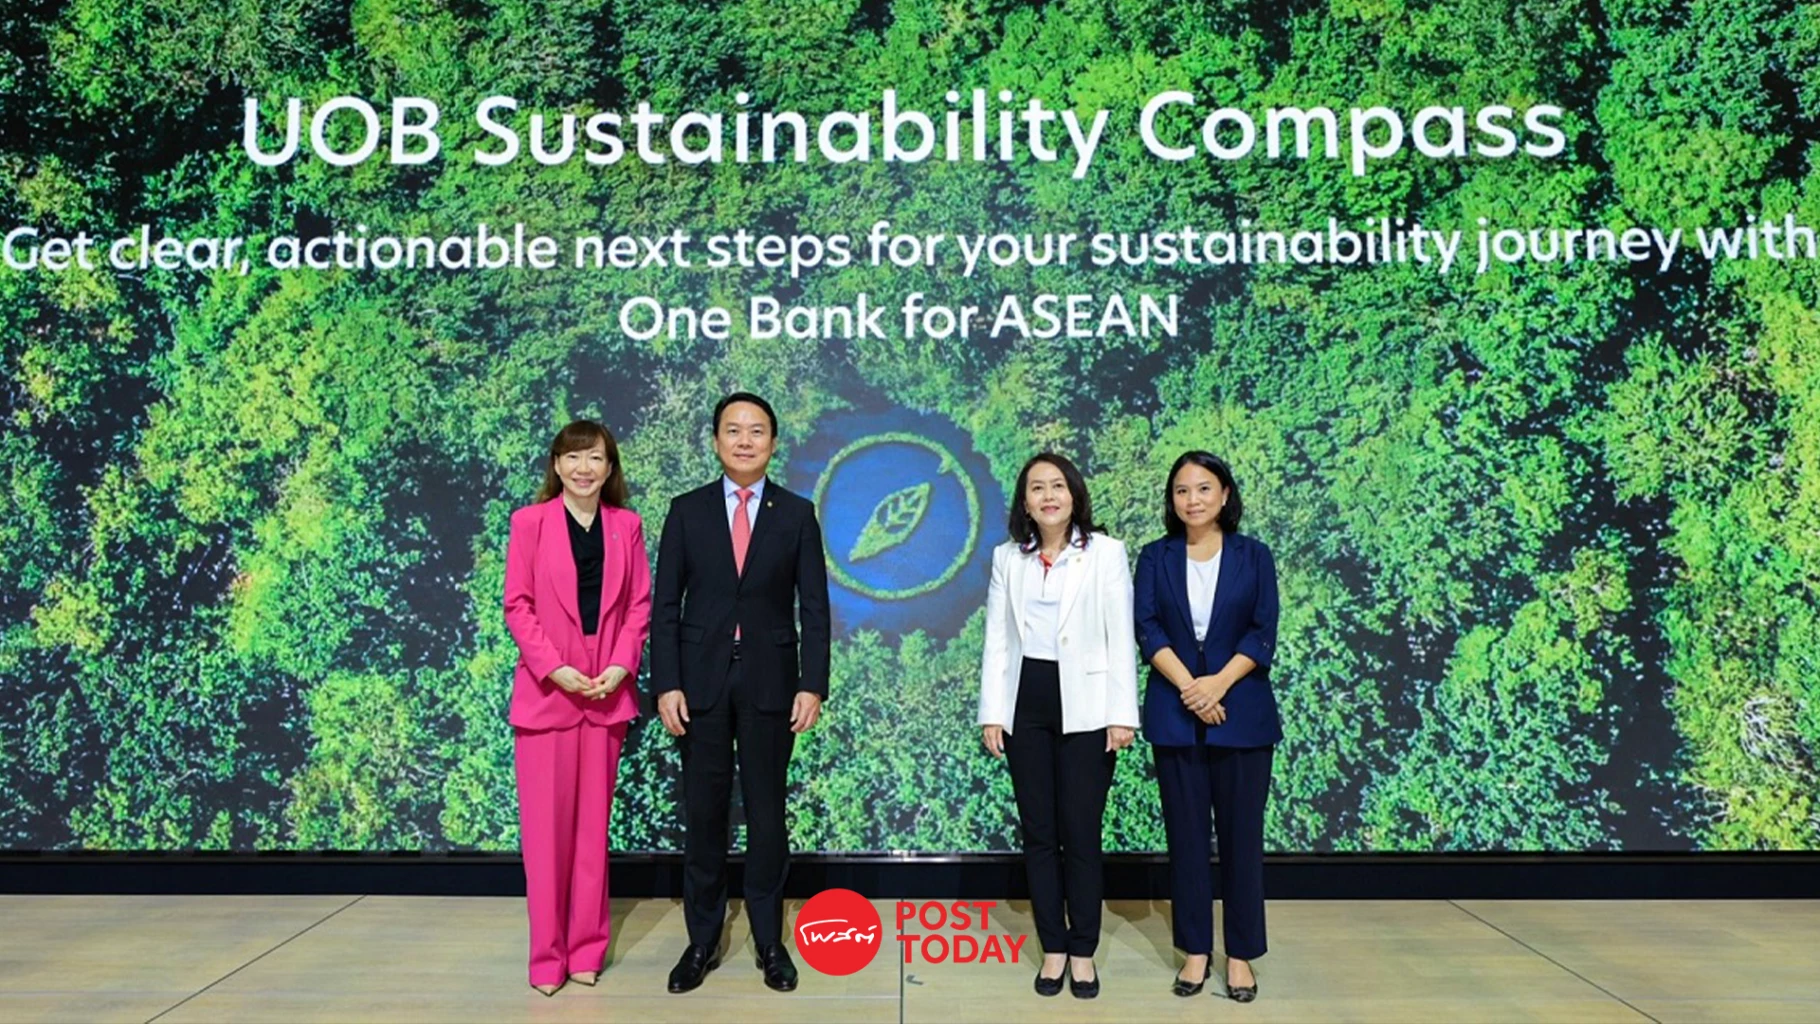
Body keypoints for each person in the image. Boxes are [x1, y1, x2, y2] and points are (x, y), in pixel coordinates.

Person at [651, 391, 831, 994]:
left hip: (771, 683)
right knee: (704, 815)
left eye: (757, 431)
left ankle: (770, 942)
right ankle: (701, 940)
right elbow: (665, 607)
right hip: (698, 685)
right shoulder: (686, 511)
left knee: (767, 814)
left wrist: (812, 683)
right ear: (716, 441)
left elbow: (815, 608)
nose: (745, 440)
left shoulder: (796, 513)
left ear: (773, 443)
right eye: (733, 430)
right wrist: (667, 683)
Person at [978, 453, 1140, 999]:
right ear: (1025, 502)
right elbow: (998, 639)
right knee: (1040, 832)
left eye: (1058, 486)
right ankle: (1053, 946)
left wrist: (1122, 714)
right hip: (1026, 703)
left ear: (1074, 495)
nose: (1048, 496)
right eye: (1037, 488)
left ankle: (1083, 949)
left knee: (1081, 831)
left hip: (1088, 705)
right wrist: (992, 712)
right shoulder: (1008, 558)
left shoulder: (1106, 553)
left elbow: (1120, 635)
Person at [502, 420, 652, 996]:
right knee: (546, 839)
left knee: (593, 835)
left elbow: (638, 605)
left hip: (606, 695)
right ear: (556, 465)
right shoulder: (529, 523)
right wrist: (554, 667)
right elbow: (518, 606)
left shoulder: (626, 526)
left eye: (595, 458)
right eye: (573, 457)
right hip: (548, 697)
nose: (584, 468)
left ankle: (587, 950)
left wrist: (620, 665)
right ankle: (547, 959)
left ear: (610, 468)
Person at [1132, 451, 1280, 1002]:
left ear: (1224, 495)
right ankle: (1195, 951)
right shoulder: (1156, 556)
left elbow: (1262, 631)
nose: (1192, 499)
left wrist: (1216, 685)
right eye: (1181, 490)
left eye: (1203, 488)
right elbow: (1147, 628)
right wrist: (1191, 689)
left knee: (1242, 840)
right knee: (1187, 840)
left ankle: (1240, 955)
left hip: (1242, 715)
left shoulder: (1254, 555)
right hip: (1175, 716)